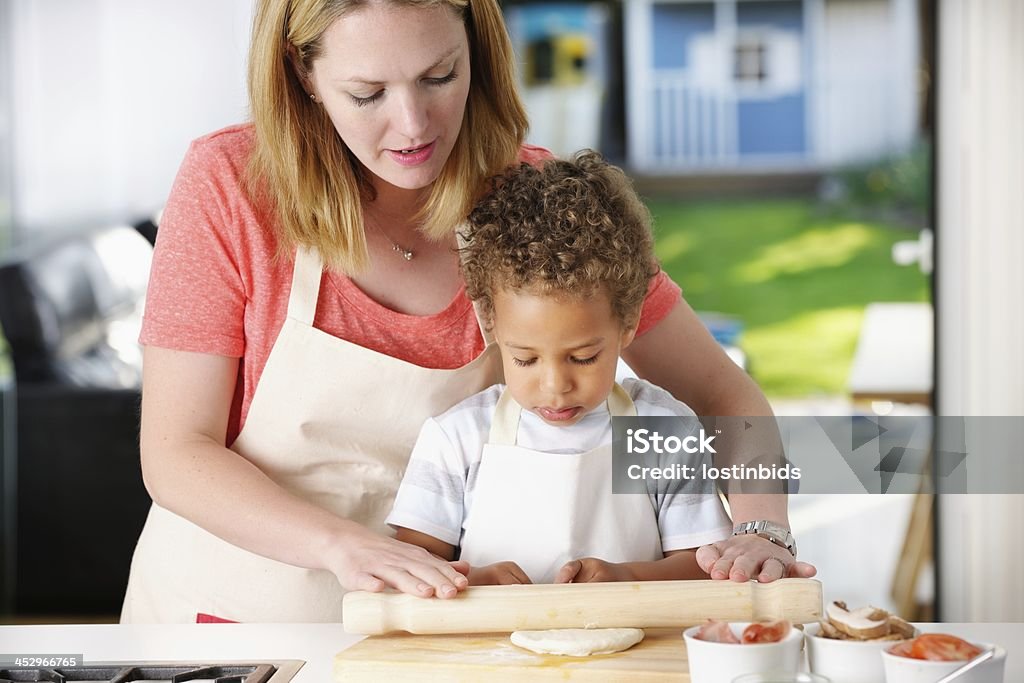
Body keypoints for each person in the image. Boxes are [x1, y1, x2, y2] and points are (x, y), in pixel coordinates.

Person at [121, 0, 814, 624]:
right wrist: (349, 547)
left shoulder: (537, 204)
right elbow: (177, 452)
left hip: (447, 629)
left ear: (477, 53)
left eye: (439, 77)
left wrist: (763, 532)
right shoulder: (229, 186)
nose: (414, 125)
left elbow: (723, 392)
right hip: (236, 618)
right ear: (302, 76)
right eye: (367, 94)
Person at [387, 152, 735, 585]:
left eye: (583, 357)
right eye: (525, 359)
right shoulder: (456, 440)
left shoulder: (664, 432)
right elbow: (413, 574)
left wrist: (627, 578)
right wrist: (478, 585)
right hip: (487, 653)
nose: (555, 387)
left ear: (627, 324)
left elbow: (703, 568)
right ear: (492, 326)